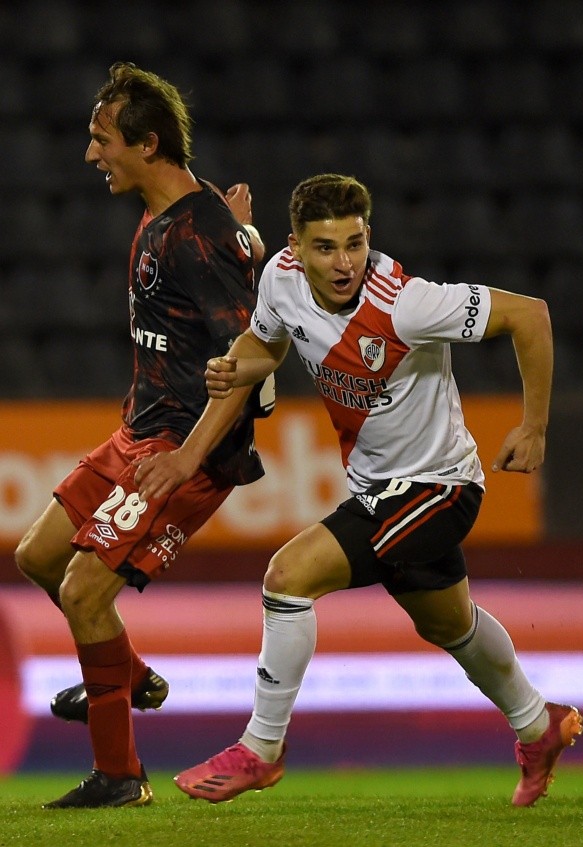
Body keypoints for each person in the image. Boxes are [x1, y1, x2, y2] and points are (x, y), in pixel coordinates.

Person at [134, 173, 582, 809]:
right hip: (378, 486)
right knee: (448, 623)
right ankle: (539, 726)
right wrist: (227, 382)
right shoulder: (281, 280)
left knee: (287, 577)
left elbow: (530, 316)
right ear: (296, 246)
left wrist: (533, 427)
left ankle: (261, 749)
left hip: (439, 487)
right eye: (325, 247)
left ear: (369, 236)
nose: (343, 263)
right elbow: (265, 346)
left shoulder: (408, 302)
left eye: (354, 243)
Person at [14, 62, 272, 809]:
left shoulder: (200, 235)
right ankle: (131, 676)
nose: (92, 154)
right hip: (139, 429)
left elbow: (253, 357)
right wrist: (247, 234)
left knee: (84, 592)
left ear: (147, 144)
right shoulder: (181, 220)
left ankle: (121, 776)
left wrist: (191, 456)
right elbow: (233, 270)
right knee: (38, 556)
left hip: (181, 450)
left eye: (102, 140)